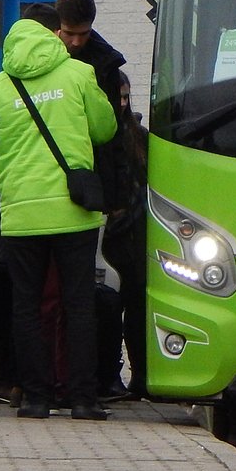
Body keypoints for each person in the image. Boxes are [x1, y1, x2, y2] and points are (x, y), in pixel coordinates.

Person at [0, 17, 117, 420]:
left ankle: (36, 398)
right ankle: (83, 399)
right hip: (74, 211)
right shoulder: (79, 72)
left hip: (21, 214)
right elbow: (105, 128)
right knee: (79, 304)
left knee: (27, 306)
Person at [53, 0, 134, 399]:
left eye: (83, 34)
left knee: (93, 291)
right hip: (54, 189)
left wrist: (116, 196)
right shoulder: (46, 58)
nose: (76, 42)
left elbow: (110, 139)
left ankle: (96, 376)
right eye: (70, 34)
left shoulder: (103, 64)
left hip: (90, 191)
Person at [98, 70, 147, 398]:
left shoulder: (139, 136)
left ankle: (141, 374)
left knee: (138, 306)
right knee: (110, 307)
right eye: (119, 96)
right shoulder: (100, 134)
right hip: (110, 234)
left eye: (127, 96)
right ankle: (109, 375)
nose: (123, 103)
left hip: (139, 233)